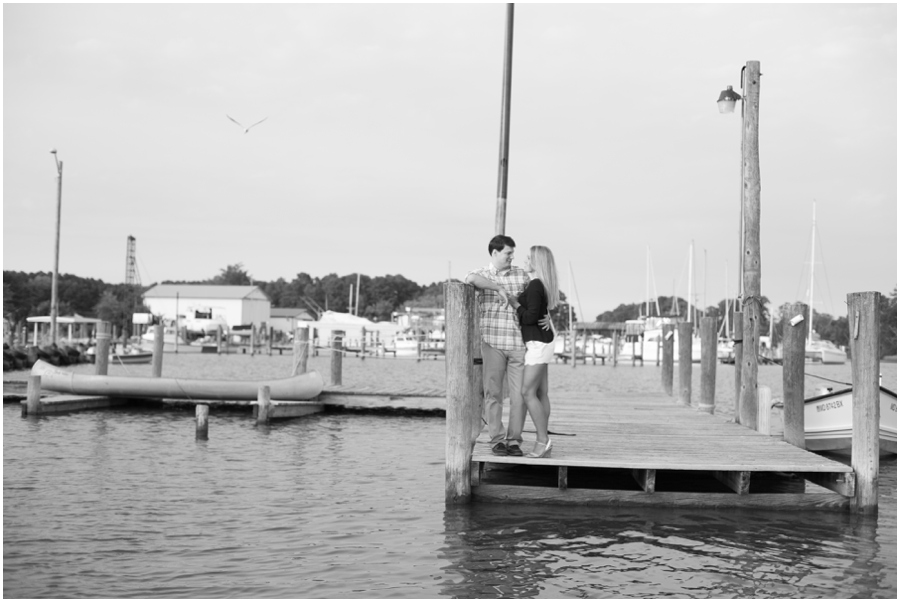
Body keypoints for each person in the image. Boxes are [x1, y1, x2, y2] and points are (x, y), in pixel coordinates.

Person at [465, 235, 531, 456]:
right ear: (494, 253)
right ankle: (497, 440)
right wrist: (498, 289)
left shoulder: (522, 276)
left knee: (520, 395)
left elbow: (534, 302)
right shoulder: (482, 274)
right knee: (493, 393)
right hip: (492, 343)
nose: (512, 257)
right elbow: (470, 278)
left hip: (518, 344)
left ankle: (514, 440)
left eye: (513, 253)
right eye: (508, 253)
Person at [506, 245, 560, 458]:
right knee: (540, 392)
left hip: (538, 344)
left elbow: (529, 317)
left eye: (529, 258)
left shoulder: (536, 284)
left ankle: (542, 441)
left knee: (527, 392)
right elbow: (538, 312)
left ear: (538, 262)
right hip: (542, 342)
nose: (525, 260)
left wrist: (514, 303)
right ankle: (543, 438)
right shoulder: (538, 284)